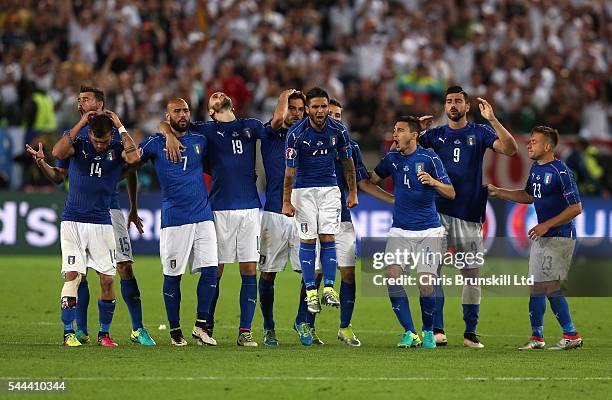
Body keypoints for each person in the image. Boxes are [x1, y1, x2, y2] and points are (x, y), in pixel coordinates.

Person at [27, 86, 155, 346]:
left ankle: (136, 328)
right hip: (79, 210)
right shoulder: (74, 137)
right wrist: (42, 163)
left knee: (123, 267)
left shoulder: (116, 137)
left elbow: (132, 168)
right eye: (78, 100)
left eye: (85, 99)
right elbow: (59, 172)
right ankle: (81, 329)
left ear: (99, 103)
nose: (80, 103)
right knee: (79, 272)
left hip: (109, 210)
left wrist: (133, 207)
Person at [161, 92, 264, 346]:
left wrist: (286, 98)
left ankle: (245, 331)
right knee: (214, 270)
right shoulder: (205, 130)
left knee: (250, 270)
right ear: (210, 112)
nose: (218, 94)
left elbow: (277, 125)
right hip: (218, 209)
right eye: (213, 98)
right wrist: (168, 134)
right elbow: (169, 122)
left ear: (232, 103)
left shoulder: (250, 125)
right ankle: (206, 326)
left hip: (250, 208)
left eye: (222, 94)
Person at [418, 86, 518, 348]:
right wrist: (416, 132)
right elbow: (401, 151)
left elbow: (510, 150)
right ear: (444, 106)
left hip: (470, 213)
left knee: (471, 274)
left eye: (458, 101)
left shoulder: (480, 132)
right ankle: (437, 330)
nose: (453, 105)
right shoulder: (434, 135)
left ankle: (469, 332)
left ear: (467, 106)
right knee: (432, 272)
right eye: (449, 101)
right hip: (436, 212)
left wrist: (493, 120)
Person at [293, 98, 394, 347]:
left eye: (338, 114)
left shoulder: (350, 146)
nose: (334, 118)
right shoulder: (307, 139)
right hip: (313, 215)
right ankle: (305, 322)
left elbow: (362, 181)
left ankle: (345, 327)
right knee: (315, 275)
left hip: (342, 218)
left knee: (348, 274)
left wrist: (393, 200)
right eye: (332, 114)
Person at [488, 126, 583, 350]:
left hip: (560, 236)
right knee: (536, 287)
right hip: (543, 237)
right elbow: (529, 196)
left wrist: (546, 225)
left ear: (547, 146)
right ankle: (537, 337)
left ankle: (571, 335)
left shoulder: (561, 171)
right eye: (529, 141)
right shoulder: (535, 169)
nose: (529, 145)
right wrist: (499, 191)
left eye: (534, 142)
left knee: (549, 286)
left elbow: (576, 208)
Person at [51, 111, 140, 347]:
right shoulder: (78, 144)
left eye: (104, 141)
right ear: (89, 133)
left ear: (110, 135)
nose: (100, 145)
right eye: (96, 140)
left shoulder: (116, 148)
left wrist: (120, 126)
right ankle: (68, 333)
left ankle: (104, 334)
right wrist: (81, 121)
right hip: (73, 222)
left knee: (107, 280)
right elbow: (57, 153)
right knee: (73, 276)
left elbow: (134, 160)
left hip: (102, 223)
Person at [370, 116, 455, 349]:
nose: (394, 134)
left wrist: (434, 183)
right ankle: (410, 332)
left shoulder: (429, 158)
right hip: (400, 230)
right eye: (394, 130)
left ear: (414, 135)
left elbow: (451, 192)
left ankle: (428, 331)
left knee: (426, 284)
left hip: (429, 231)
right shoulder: (392, 158)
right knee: (392, 276)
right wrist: (389, 199)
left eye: (400, 130)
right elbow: (369, 181)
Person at [139, 99, 219, 346]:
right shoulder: (155, 143)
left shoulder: (200, 140)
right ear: (168, 115)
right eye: (177, 111)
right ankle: (175, 331)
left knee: (211, 271)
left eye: (185, 110)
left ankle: (200, 326)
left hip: (203, 216)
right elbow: (131, 161)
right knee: (173, 274)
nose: (182, 114)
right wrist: (165, 133)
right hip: (175, 220)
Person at [282, 87, 358, 325]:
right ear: (307, 109)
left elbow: (348, 164)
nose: (320, 111)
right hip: (303, 191)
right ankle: (311, 292)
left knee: (328, 238)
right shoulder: (295, 134)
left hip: (330, 190)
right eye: (315, 106)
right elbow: (289, 173)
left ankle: (328, 288)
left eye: (323, 106)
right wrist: (286, 201)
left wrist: (353, 191)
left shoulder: (339, 131)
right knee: (308, 240)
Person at [258, 89, 306, 347]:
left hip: (305, 214)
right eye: (291, 108)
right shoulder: (270, 133)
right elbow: (277, 121)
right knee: (268, 273)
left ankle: (302, 320)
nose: (295, 114)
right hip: (275, 213)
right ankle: (268, 327)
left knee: (311, 272)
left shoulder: (309, 137)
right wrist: (282, 98)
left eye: (300, 109)